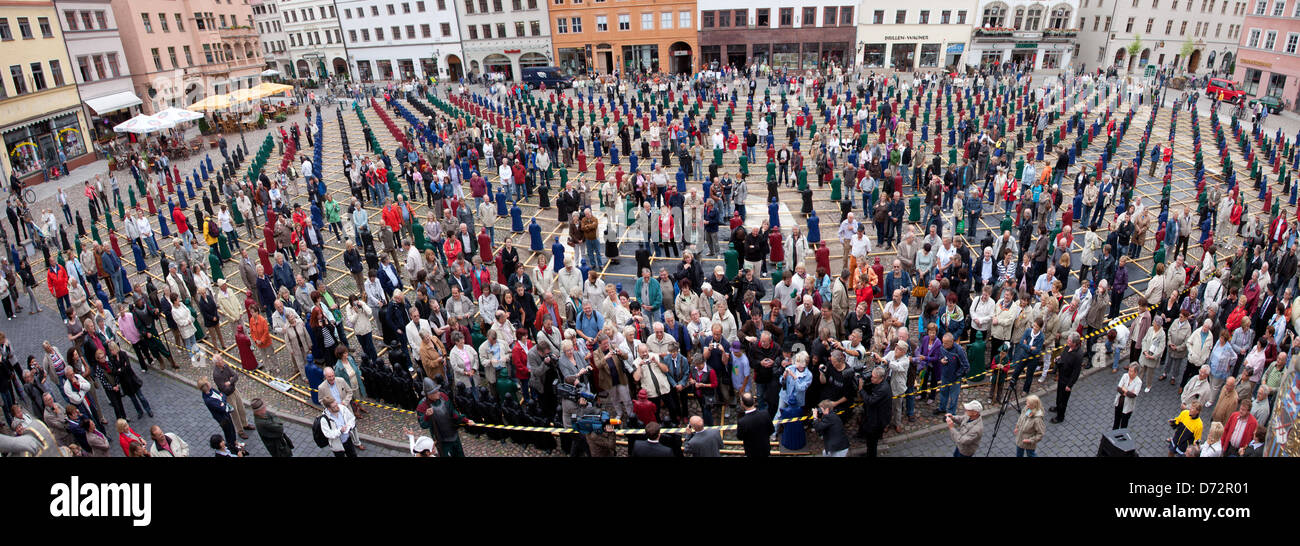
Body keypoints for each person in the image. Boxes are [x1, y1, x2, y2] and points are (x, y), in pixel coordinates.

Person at [860, 365, 891, 457]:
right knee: (870, 441)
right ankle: (869, 452)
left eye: (873, 377)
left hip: (877, 421)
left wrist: (861, 390)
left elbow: (870, 401)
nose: (871, 378)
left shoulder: (882, 389)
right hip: (875, 416)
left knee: (872, 442)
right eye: (871, 376)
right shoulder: (880, 384)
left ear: (881, 378)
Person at [735, 392, 774, 457]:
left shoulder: (742, 422)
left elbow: (740, 437)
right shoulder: (765, 414)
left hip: (751, 451)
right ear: (754, 401)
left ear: (742, 404)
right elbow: (771, 430)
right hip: (765, 448)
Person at [1113, 363, 1142, 430]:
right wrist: (1127, 392)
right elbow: (1119, 388)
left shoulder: (1138, 382)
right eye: (1129, 370)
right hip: (1119, 403)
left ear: (1136, 372)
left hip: (1128, 406)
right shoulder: (1125, 376)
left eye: (1131, 371)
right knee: (1116, 422)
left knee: (1124, 424)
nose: (1129, 372)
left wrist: (1124, 390)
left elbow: (1133, 395)